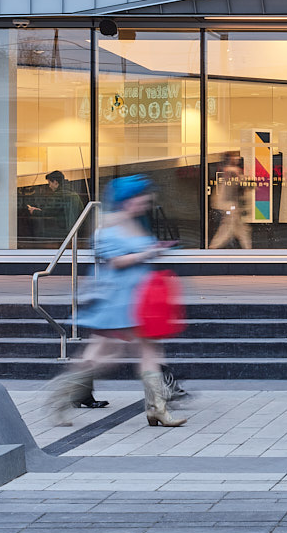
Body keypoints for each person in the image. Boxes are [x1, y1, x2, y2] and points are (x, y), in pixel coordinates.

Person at [43, 174, 185, 428]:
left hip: (141, 298)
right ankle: (59, 398)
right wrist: (149, 252)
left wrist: (153, 251)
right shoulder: (108, 225)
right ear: (126, 199)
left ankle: (157, 409)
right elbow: (116, 261)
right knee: (100, 357)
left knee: (150, 351)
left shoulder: (134, 222)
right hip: (117, 300)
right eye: (140, 197)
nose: (146, 202)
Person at [208, 155, 251, 250]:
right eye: (235, 157)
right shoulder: (231, 169)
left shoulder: (229, 170)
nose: (237, 159)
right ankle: (214, 246)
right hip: (226, 204)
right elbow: (241, 182)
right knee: (229, 226)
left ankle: (247, 248)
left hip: (229, 203)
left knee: (238, 226)